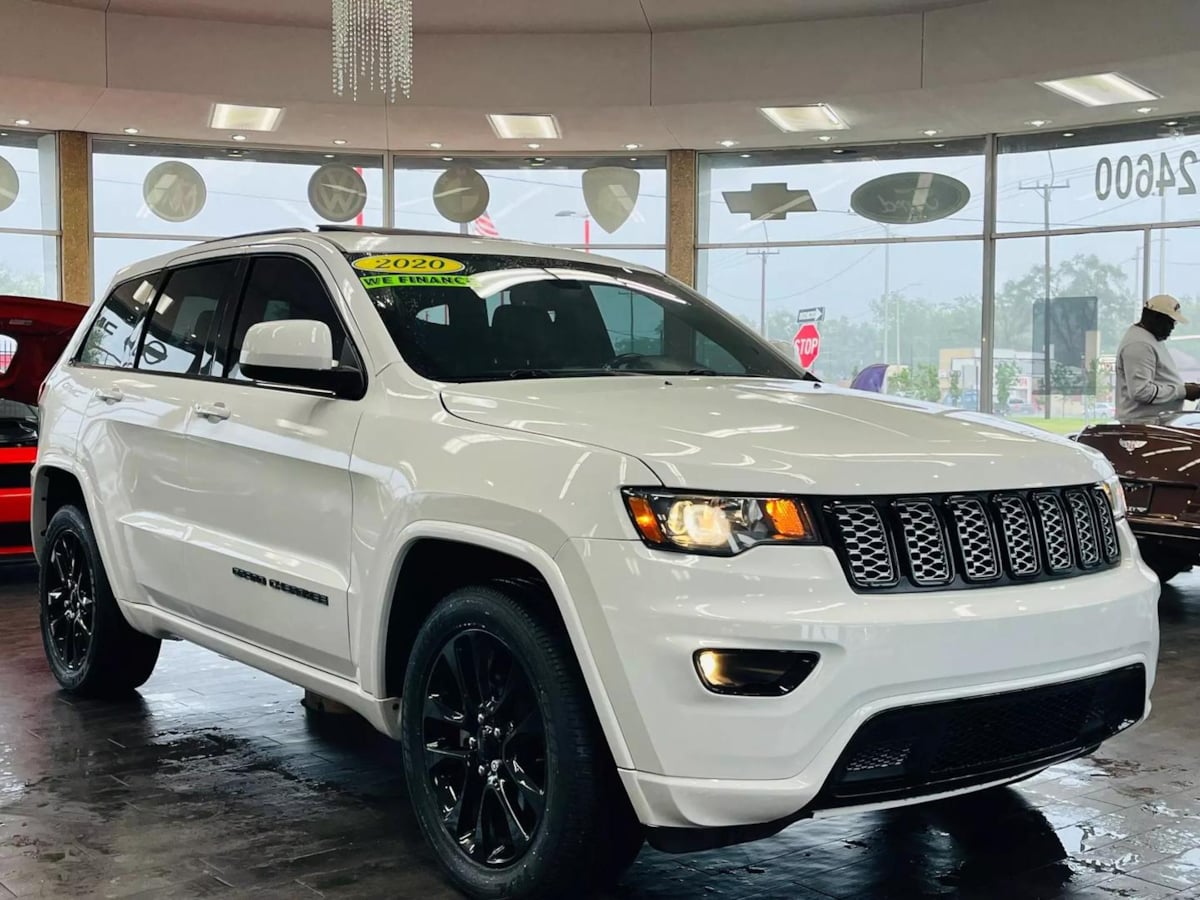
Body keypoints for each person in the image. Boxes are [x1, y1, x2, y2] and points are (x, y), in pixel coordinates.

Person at [1115, 294, 1200, 423]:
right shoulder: (1139, 345)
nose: (1172, 327)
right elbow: (1141, 392)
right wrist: (1183, 391)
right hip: (1144, 426)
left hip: (1154, 423)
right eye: (1170, 322)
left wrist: (1182, 388)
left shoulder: (1149, 338)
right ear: (1156, 318)